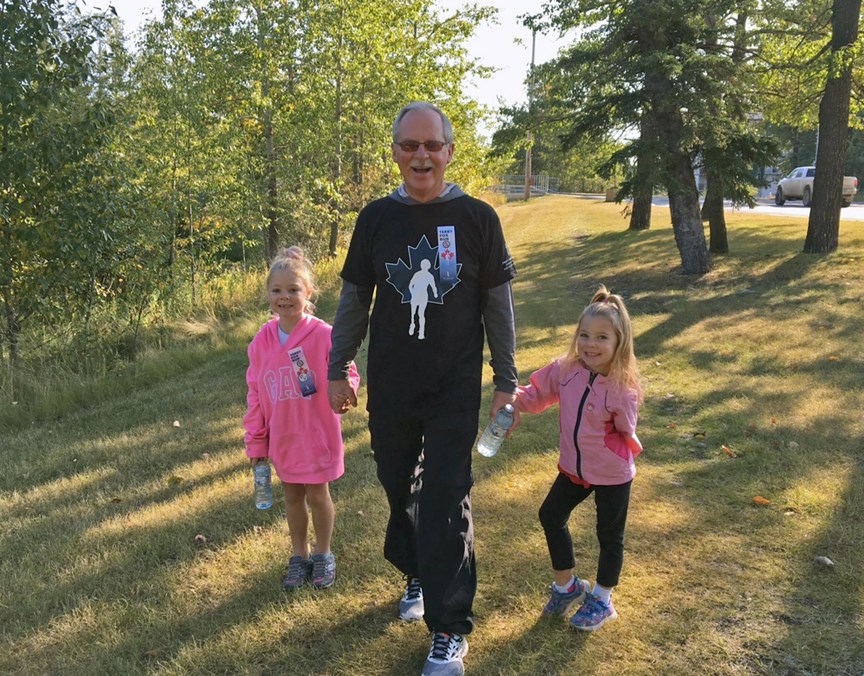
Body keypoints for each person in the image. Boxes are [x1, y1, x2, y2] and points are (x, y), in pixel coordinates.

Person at [327, 102, 518, 676]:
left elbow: (498, 307)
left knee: (446, 495)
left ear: (450, 150)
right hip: (392, 385)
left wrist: (505, 380)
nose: (421, 156)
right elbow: (355, 300)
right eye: (409, 146)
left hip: (454, 388)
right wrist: (339, 366)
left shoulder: (478, 218)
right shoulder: (376, 220)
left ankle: (449, 627)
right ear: (395, 153)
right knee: (395, 481)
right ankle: (416, 568)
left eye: (431, 145)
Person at [514, 285, 642, 631]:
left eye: (601, 338)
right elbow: (537, 393)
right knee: (550, 514)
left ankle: (602, 599)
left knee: (609, 536)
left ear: (619, 344)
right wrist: (513, 402)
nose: (590, 344)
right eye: (584, 335)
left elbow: (626, 428)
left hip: (612, 473)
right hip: (574, 469)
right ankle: (567, 586)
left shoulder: (621, 388)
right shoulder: (566, 369)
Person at [243, 246, 360, 591]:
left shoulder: (324, 335)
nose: (284, 297)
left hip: (317, 432)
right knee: (292, 497)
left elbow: (347, 370)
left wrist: (347, 390)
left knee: (318, 495)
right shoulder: (261, 343)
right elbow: (255, 394)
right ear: (268, 295)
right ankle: (300, 555)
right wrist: (256, 438)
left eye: (293, 290)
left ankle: (323, 554)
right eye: (277, 290)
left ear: (308, 293)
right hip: (283, 437)